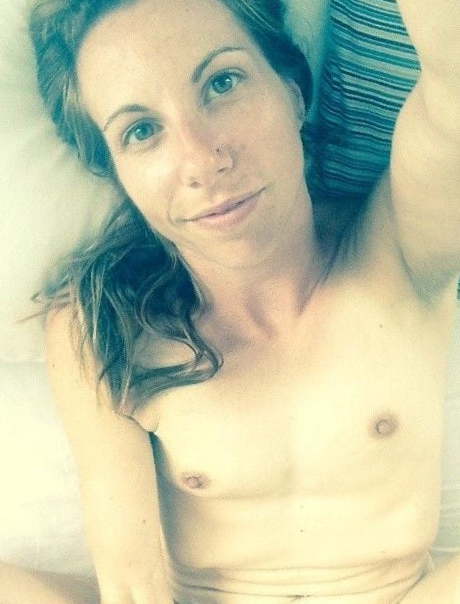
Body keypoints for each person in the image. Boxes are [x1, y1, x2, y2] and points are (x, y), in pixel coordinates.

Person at [5, 0, 458, 602]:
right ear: (117, 173)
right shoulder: (100, 322)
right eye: (141, 131)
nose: (201, 161)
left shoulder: (401, 246)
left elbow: (452, 97)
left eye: (222, 83)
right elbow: (132, 583)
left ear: (292, 91)